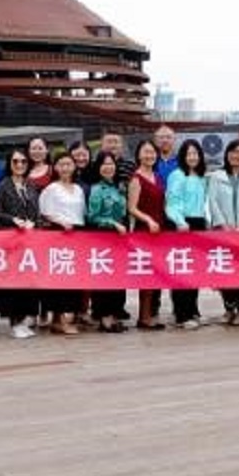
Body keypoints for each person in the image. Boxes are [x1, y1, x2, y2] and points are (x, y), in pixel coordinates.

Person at [0, 149, 43, 339]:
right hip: (10, 242)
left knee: (28, 281)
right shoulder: (3, 186)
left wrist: (34, 223)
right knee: (13, 283)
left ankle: (24, 319)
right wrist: (13, 220)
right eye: (15, 161)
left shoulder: (31, 185)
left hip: (30, 242)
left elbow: (37, 212)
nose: (19, 165)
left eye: (23, 161)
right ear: (9, 164)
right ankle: (14, 322)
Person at [208, 139, 239, 325]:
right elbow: (212, 202)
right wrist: (223, 225)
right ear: (226, 154)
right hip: (223, 231)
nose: (236, 155)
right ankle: (229, 308)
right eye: (232, 151)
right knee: (226, 270)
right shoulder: (216, 176)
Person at [38, 152, 86, 335]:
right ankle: (58, 319)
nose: (66, 168)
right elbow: (44, 212)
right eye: (62, 164)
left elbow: (82, 212)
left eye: (69, 164)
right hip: (57, 234)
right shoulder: (51, 188)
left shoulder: (78, 189)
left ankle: (65, 318)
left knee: (73, 278)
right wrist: (60, 222)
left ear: (74, 167)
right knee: (58, 278)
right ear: (55, 167)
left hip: (76, 235)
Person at [165, 139, 209, 329]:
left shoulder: (201, 177)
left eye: (195, 153)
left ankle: (192, 309)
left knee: (195, 270)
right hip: (182, 225)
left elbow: (205, 203)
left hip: (199, 224)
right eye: (188, 154)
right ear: (182, 156)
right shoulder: (176, 175)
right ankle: (181, 314)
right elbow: (172, 202)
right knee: (182, 270)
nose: (192, 157)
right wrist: (180, 222)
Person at [86, 151, 129, 333]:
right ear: (98, 167)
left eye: (111, 163)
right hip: (103, 238)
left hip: (119, 239)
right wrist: (112, 223)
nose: (108, 167)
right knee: (104, 279)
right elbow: (92, 216)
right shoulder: (96, 189)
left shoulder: (119, 187)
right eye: (104, 164)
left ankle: (115, 314)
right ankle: (104, 318)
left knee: (118, 279)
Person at [127, 139, 166, 330]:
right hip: (144, 231)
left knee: (157, 275)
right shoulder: (136, 178)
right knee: (146, 275)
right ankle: (143, 317)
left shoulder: (158, 176)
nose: (149, 156)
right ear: (138, 155)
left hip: (160, 230)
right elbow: (132, 208)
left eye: (152, 152)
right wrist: (148, 220)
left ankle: (150, 314)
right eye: (145, 152)